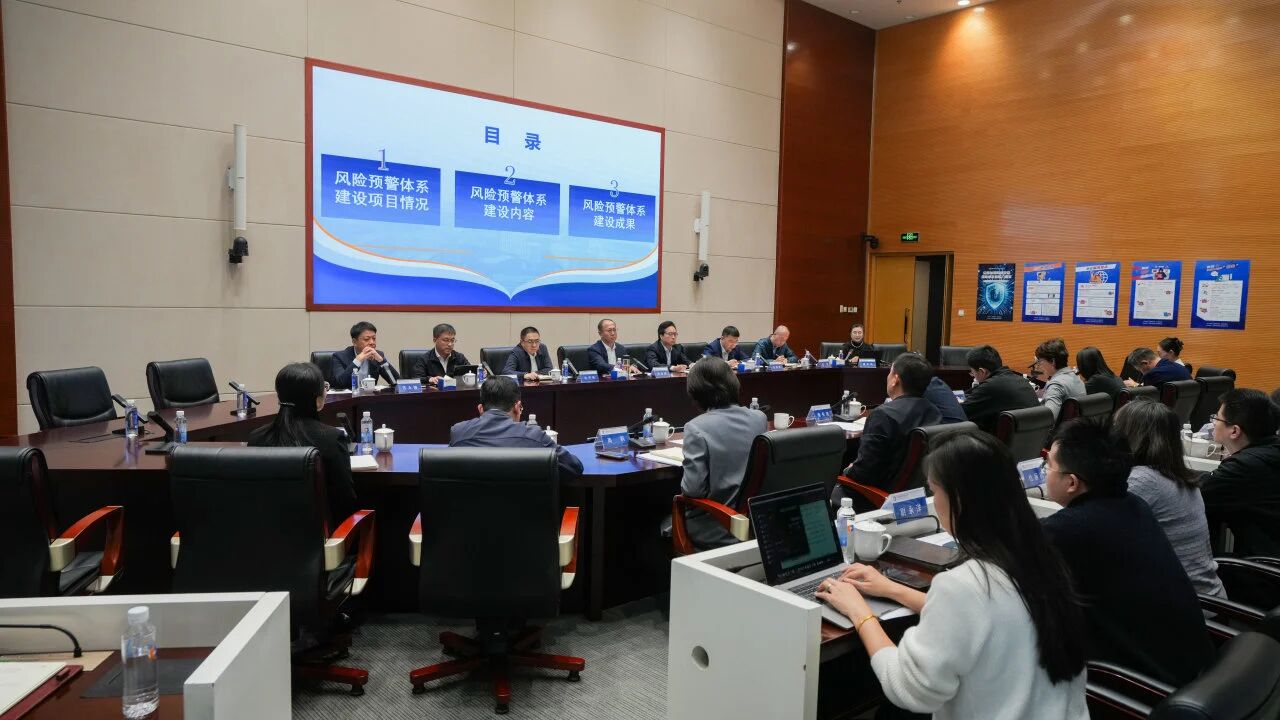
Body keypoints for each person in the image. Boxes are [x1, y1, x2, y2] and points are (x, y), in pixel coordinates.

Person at [818, 431, 1087, 719]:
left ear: (958, 500)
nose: (934, 500)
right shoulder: (1040, 559)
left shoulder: (964, 585)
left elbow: (908, 689)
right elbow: (984, 615)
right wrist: (891, 589)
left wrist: (860, 613)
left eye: (935, 491)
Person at [1040, 419, 1214, 686]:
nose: (1045, 471)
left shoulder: (1069, 529)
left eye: (1049, 464)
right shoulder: (1134, 504)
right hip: (1192, 668)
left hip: (1146, 688)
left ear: (1072, 482)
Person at [1111, 400, 1225, 597]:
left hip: (1182, 604)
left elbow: (1095, 529)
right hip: (1205, 596)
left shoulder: (1142, 480)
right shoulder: (1178, 475)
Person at [248, 363, 357, 530]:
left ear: (279, 397)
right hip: (320, 541)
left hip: (264, 537)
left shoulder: (256, 437)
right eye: (324, 388)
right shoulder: (332, 439)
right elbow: (345, 502)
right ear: (317, 400)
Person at [678, 359, 767, 549]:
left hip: (717, 525)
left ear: (697, 392)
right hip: (756, 523)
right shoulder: (759, 418)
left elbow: (692, 490)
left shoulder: (696, 427)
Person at [841, 353, 942, 494]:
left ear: (895, 379)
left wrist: (849, 470)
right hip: (918, 493)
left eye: (890, 372)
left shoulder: (882, 415)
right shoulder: (934, 411)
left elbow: (863, 473)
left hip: (880, 496)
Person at [449, 377, 583, 478]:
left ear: (480, 409)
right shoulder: (533, 436)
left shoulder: (458, 433)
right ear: (518, 407)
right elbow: (574, 466)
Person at [1200, 389, 1280, 557]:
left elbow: (1198, 493)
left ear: (1234, 431)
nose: (1213, 423)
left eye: (1217, 418)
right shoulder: (1270, 451)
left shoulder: (1244, 466)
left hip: (1262, 565)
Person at [960, 345, 1039, 434]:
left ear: (982, 371)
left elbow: (960, 414)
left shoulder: (990, 386)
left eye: (972, 372)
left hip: (1002, 441)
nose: (972, 375)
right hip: (1033, 438)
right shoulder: (1020, 380)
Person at [330, 321, 399, 389]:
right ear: (354, 342)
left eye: (374, 338)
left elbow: (396, 382)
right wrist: (358, 361)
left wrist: (382, 361)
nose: (372, 342)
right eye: (367, 339)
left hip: (370, 395)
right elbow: (341, 383)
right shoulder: (339, 357)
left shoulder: (378, 355)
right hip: (349, 396)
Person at [1034, 338, 1085, 421]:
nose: (1040, 366)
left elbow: (1048, 418)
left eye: (1040, 362)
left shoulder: (1056, 385)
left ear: (1052, 361)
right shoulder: (1076, 377)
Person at [1125, 347, 1191, 388]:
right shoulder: (1180, 366)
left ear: (1145, 363)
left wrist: (1134, 386)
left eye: (1140, 369)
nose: (1142, 373)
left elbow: (1145, 399)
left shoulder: (1152, 374)